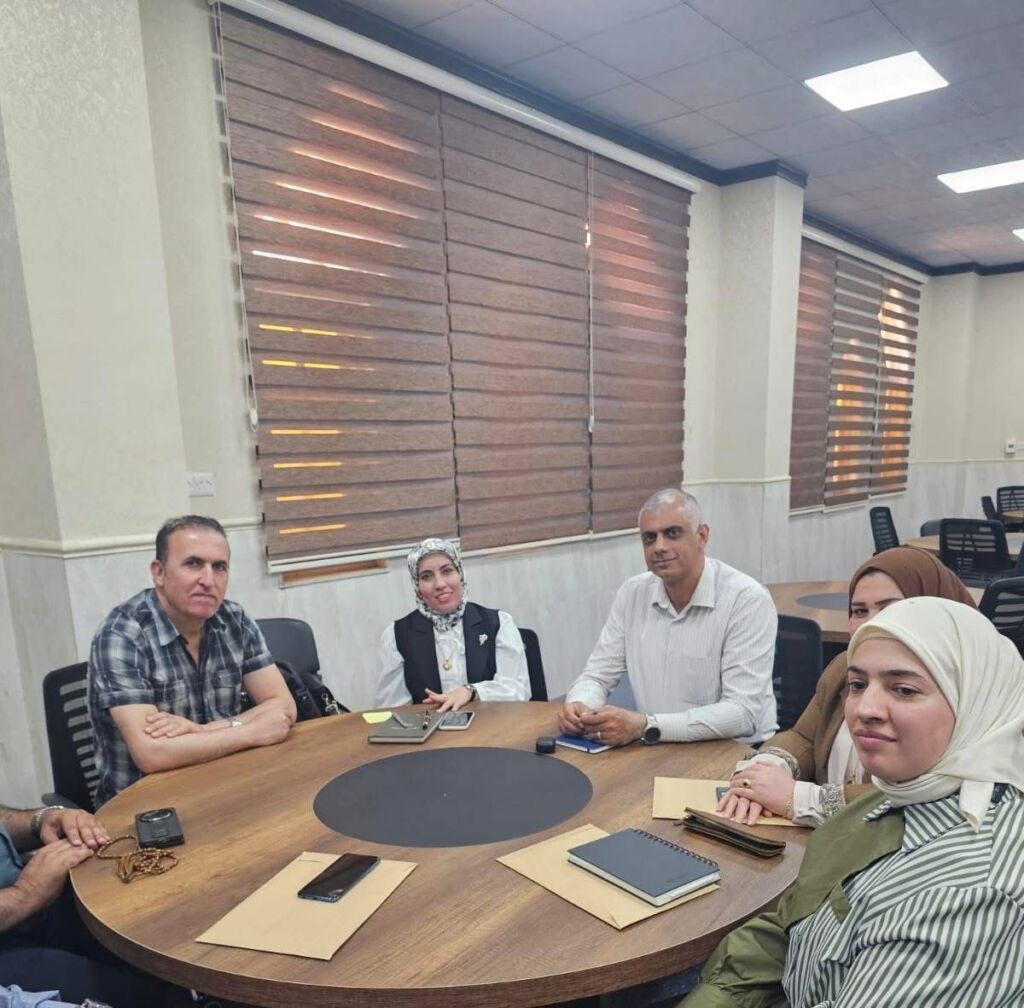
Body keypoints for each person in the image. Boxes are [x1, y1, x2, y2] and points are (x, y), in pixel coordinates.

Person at [680, 596, 1024, 1007]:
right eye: (858, 685)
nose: (864, 709)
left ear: (977, 700)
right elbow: (791, 926)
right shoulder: (889, 801)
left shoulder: (968, 895)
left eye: (904, 689)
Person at [718, 546, 976, 826]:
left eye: (890, 608)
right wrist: (760, 775)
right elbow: (803, 738)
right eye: (859, 611)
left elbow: (931, 793)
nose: (872, 623)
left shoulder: (962, 692)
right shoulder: (845, 667)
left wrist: (798, 798)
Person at [87, 515, 297, 806]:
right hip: (146, 808)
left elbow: (283, 707)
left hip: (225, 789)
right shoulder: (122, 634)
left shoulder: (234, 620)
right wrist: (251, 731)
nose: (208, 580)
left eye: (219, 567)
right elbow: (151, 754)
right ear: (159, 573)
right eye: (193, 564)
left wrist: (201, 731)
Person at [558, 488, 777, 747]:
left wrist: (645, 725)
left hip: (736, 752)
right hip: (658, 745)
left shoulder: (747, 599)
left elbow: (742, 713)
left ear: (702, 536)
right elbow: (597, 676)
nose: (659, 547)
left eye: (672, 533)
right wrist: (581, 705)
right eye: (649, 538)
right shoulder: (632, 593)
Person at [0, 802, 179, 1005]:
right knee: (139, 993)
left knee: (154, 928)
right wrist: (25, 893)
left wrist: (39, 821)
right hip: (11, 937)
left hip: (32, 902)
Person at [375, 538, 530, 712]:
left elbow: (518, 690)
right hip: (429, 727)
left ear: (460, 574)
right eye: (426, 576)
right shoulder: (397, 635)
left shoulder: (498, 623)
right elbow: (391, 709)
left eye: (447, 571)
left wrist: (472, 691)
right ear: (417, 588)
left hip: (491, 724)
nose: (440, 584)